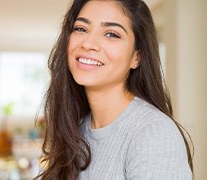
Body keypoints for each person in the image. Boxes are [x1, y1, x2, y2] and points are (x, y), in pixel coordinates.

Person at [34, 0, 193, 179]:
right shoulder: (76, 130)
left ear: (136, 57)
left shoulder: (153, 133)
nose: (88, 44)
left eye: (111, 34)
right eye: (81, 28)